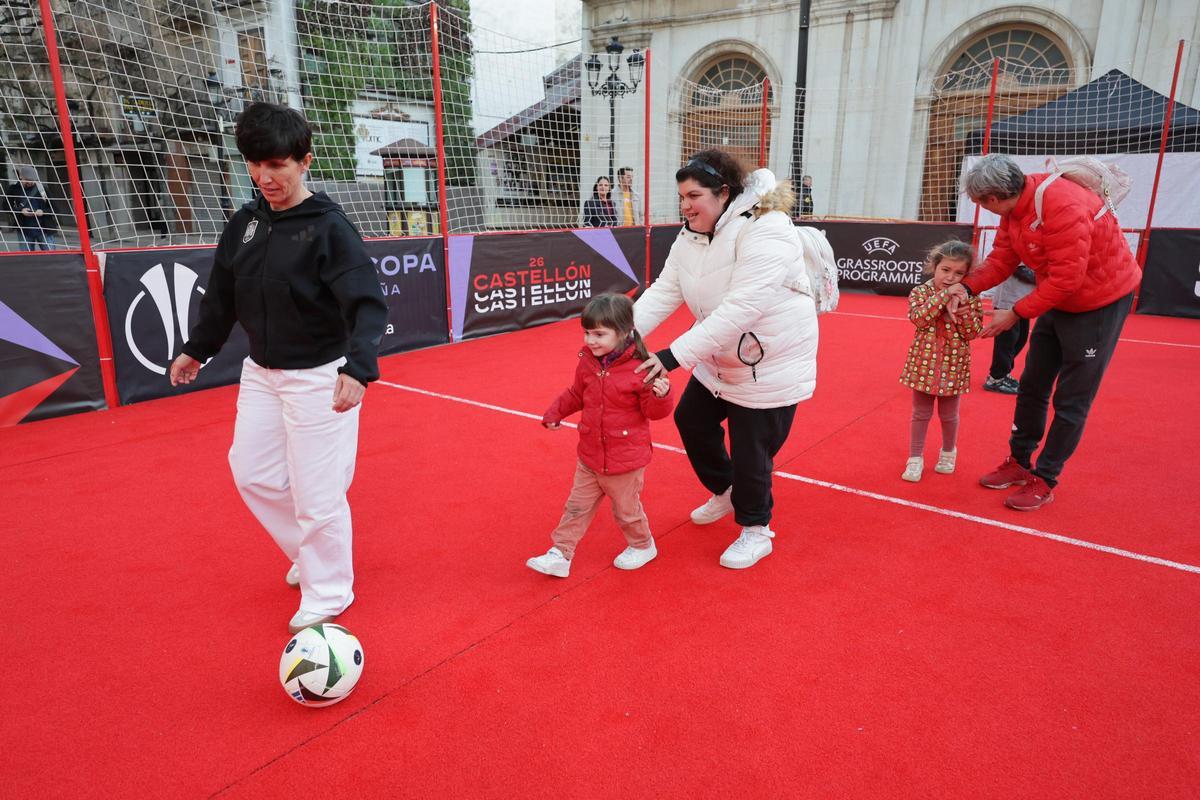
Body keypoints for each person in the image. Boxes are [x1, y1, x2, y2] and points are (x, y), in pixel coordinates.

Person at [168, 102, 388, 633]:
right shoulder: (244, 222)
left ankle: (329, 591)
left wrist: (357, 370)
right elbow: (221, 296)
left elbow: (368, 304)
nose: (265, 177)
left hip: (319, 376)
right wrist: (198, 347)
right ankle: (312, 555)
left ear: (304, 162)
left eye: (278, 165)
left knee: (318, 493)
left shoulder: (330, 227)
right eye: (255, 165)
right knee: (253, 473)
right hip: (260, 373)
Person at [632, 148, 819, 569]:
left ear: (724, 192)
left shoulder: (769, 229)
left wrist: (671, 355)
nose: (685, 205)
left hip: (769, 360)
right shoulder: (691, 233)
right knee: (692, 422)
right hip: (719, 354)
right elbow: (666, 289)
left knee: (752, 450)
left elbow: (741, 309)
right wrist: (625, 337)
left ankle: (756, 529)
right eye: (681, 196)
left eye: (694, 195)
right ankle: (726, 490)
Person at [947, 153, 1141, 511]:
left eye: (979, 203)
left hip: (1099, 299)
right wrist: (968, 288)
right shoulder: (1014, 208)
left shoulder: (1064, 205)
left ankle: (1046, 477)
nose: (983, 209)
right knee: (1033, 383)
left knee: (1071, 399)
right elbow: (1002, 259)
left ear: (992, 199)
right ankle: (1019, 462)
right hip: (1060, 296)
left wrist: (1015, 314)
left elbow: (1069, 279)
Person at [527, 293, 674, 578]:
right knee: (576, 507)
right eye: (586, 332)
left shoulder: (643, 367)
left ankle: (643, 545)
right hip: (590, 454)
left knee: (626, 512)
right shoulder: (588, 362)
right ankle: (560, 552)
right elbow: (576, 394)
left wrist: (663, 395)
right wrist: (554, 412)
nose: (590, 340)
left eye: (598, 334)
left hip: (624, 461)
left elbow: (654, 412)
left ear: (623, 333)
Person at [899, 240, 983, 482]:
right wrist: (944, 296)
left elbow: (972, 333)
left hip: (953, 365)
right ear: (934, 267)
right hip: (923, 364)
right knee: (920, 413)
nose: (950, 278)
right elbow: (920, 318)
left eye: (958, 273)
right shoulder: (921, 292)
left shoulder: (971, 297)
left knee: (949, 415)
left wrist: (964, 313)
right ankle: (915, 458)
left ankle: (948, 453)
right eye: (945, 270)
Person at [982, 266, 1035, 394]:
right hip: (1008, 301)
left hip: (1024, 301)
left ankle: (1004, 372)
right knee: (1007, 342)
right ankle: (997, 377)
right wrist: (1045, 276)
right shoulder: (1023, 247)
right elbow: (1019, 269)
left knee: (1021, 339)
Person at [7, 166, 54, 250]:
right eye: (27, 179)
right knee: (26, 258)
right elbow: (6, 207)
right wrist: (20, 211)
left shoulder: (42, 189)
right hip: (24, 230)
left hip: (44, 229)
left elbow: (55, 208)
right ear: (21, 177)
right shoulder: (13, 189)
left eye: (33, 180)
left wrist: (43, 211)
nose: (31, 182)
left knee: (51, 257)